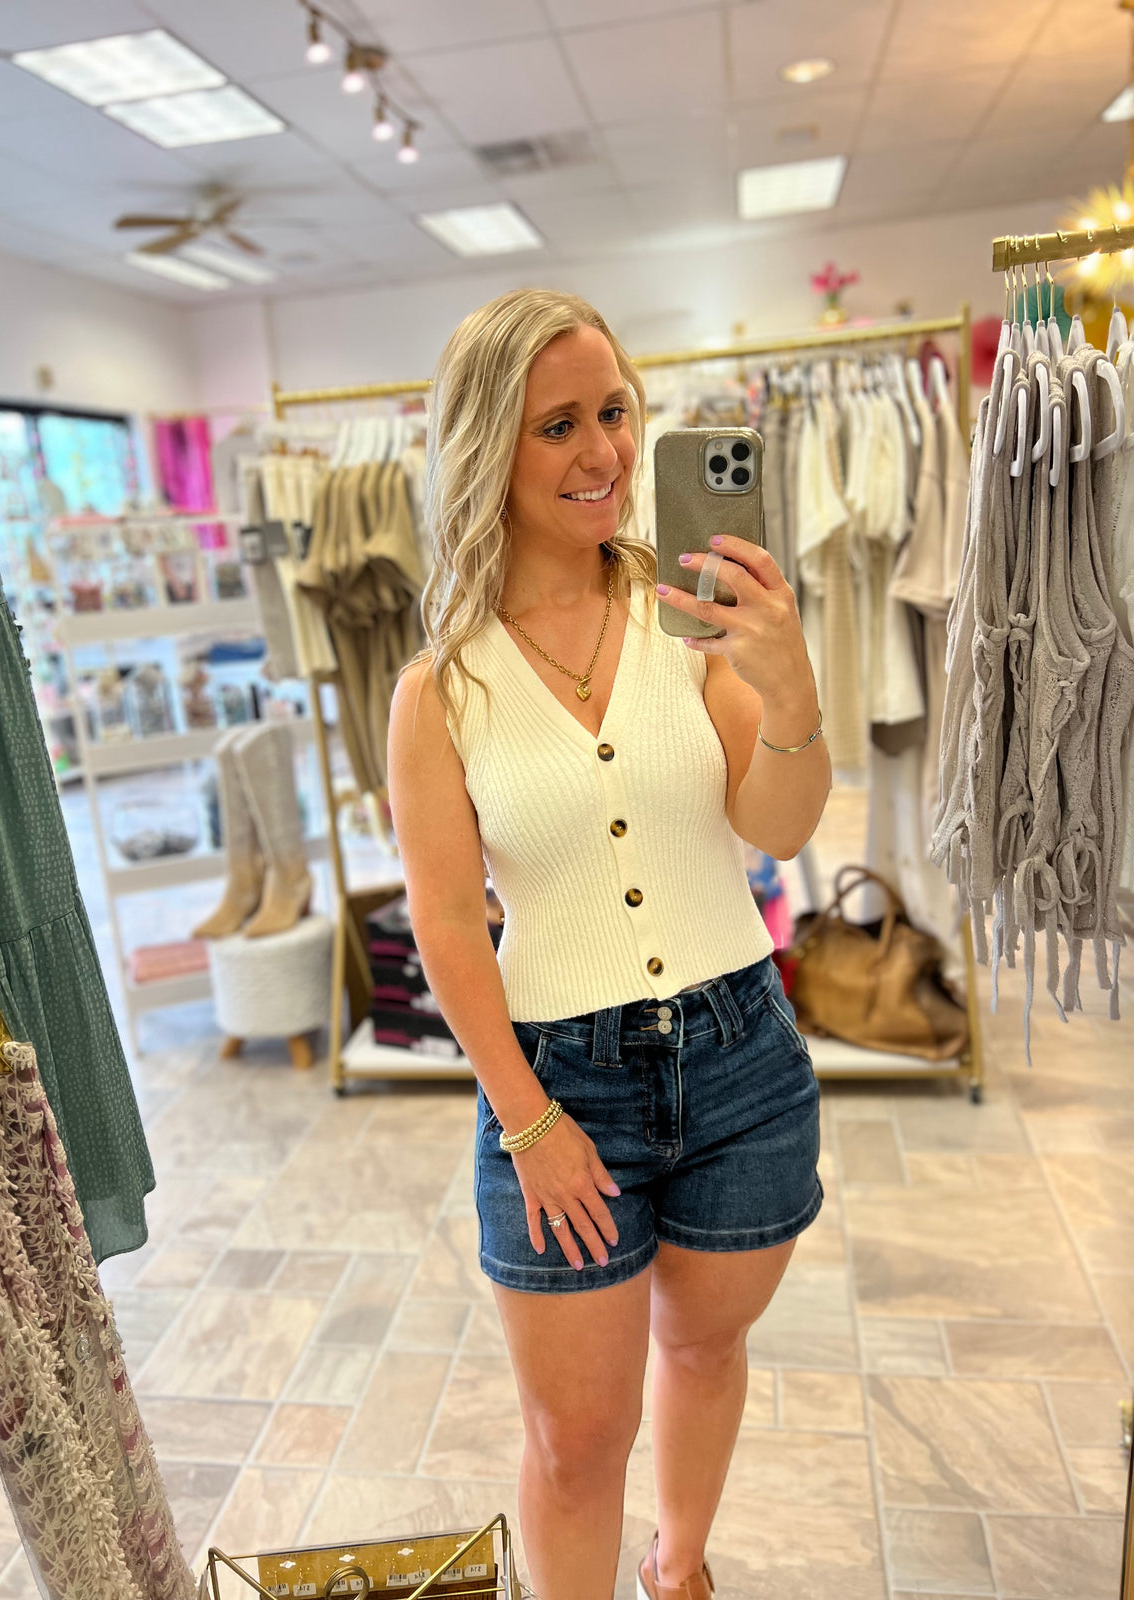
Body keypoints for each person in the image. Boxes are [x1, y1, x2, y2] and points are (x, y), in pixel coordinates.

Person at [388, 289, 830, 1600]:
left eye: (617, 412)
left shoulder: (693, 622)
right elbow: (446, 924)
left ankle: (678, 1568)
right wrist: (527, 1121)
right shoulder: (442, 690)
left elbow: (780, 822)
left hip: (741, 1059)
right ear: (488, 449)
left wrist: (791, 688)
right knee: (578, 1438)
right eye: (559, 426)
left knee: (704, 1350)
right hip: (558, 1079)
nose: (604, 453)